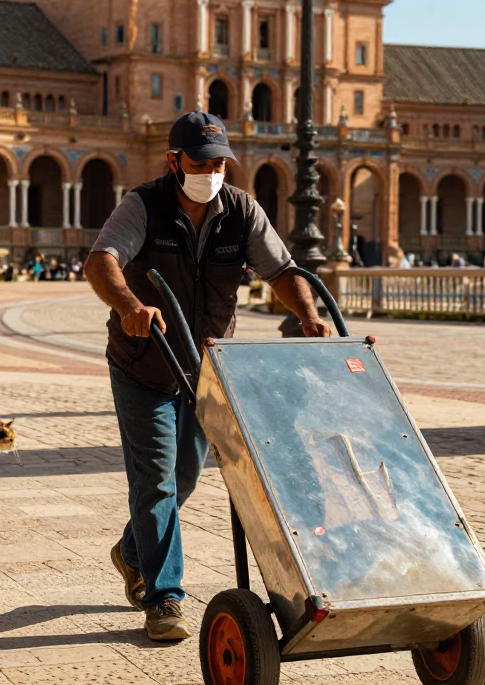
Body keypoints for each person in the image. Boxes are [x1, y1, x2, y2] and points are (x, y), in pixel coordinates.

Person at [85, 110, 330, 642]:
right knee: (155, 480)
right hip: (143, 364)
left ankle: (131, 551)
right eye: (200, 164)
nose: (212, 172)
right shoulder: (143, 205)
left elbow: (281, 270)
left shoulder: (241, 210)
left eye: (219, 163)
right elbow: (101, 261)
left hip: (205, 371)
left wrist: (309, 314)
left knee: (185, 478)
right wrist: (129, 305)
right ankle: (164, 598)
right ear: (174, 162)